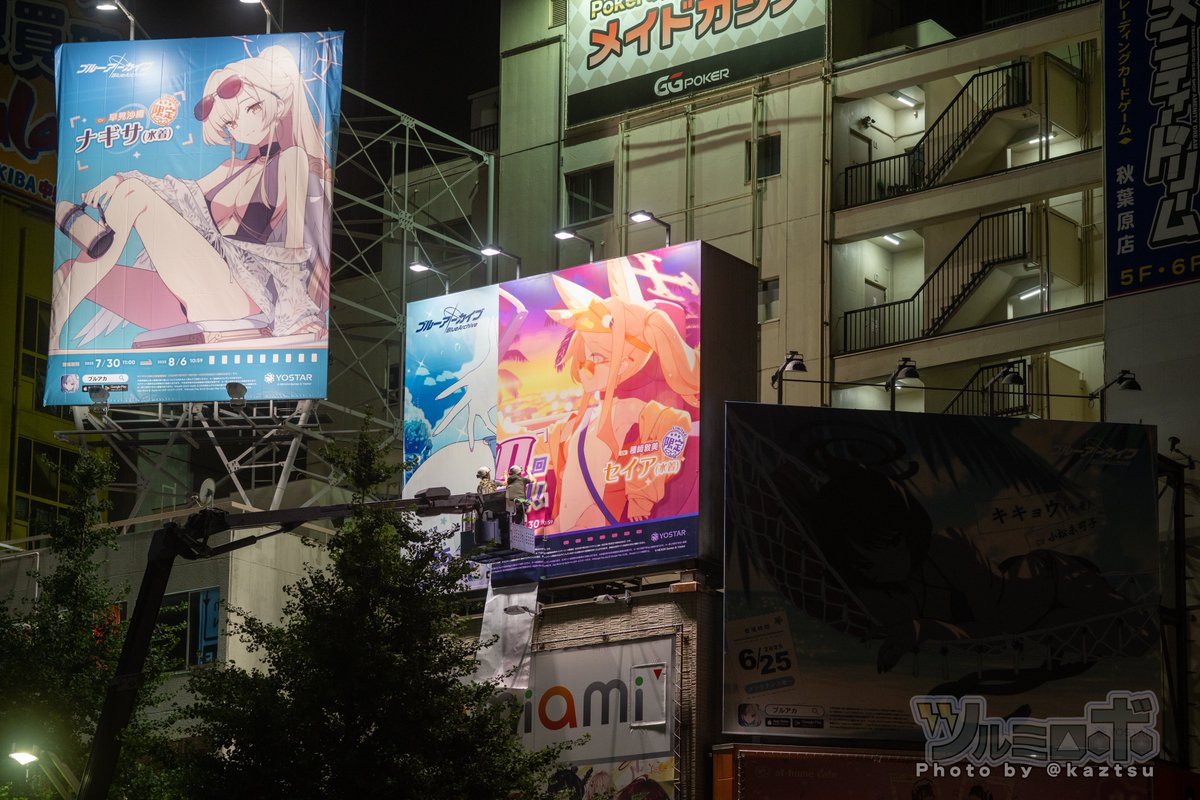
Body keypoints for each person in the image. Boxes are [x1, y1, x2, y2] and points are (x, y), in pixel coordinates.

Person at [50, 44, 331, 351]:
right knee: (70, 265)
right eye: (230, 123)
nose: (241, 127)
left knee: (134, 193)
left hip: (246, 296)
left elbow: (294, 250)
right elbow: (173, 191)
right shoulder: (228, 171)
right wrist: (118, 179)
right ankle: (55, 338)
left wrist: (298, 314)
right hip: (204, 287)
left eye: (251, 108)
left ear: (280, 102)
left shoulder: (291, 160)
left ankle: (56, 326)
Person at [805, 464, 1154, 673]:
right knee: (1121, 646)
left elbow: (993, 630)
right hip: (1036, 626)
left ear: (896, 537)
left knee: (1140, 635)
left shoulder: (948, 547)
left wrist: (923, 629)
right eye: (856, 564)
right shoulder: (877, 593)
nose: (865, 571)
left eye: (867, 559)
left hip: (1048, 580)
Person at [539, 255, 699, 534]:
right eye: (584, 356)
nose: (585, 366)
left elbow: (676, 425)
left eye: (597, 357)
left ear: (624, 363)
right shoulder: (571, 426)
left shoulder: (630, 411)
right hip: (563, 538)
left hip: (603, 534)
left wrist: (641, 495)